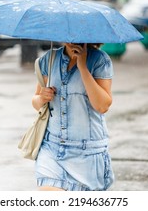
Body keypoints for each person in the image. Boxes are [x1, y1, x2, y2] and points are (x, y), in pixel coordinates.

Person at [32, 43, 115, 191]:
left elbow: (102, 106)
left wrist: (83, 67)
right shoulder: (49, 59)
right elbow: (36, 102)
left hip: (87, 154)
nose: (71, 40)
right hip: (52, 149)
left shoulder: (99, 60)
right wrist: (42, 98)